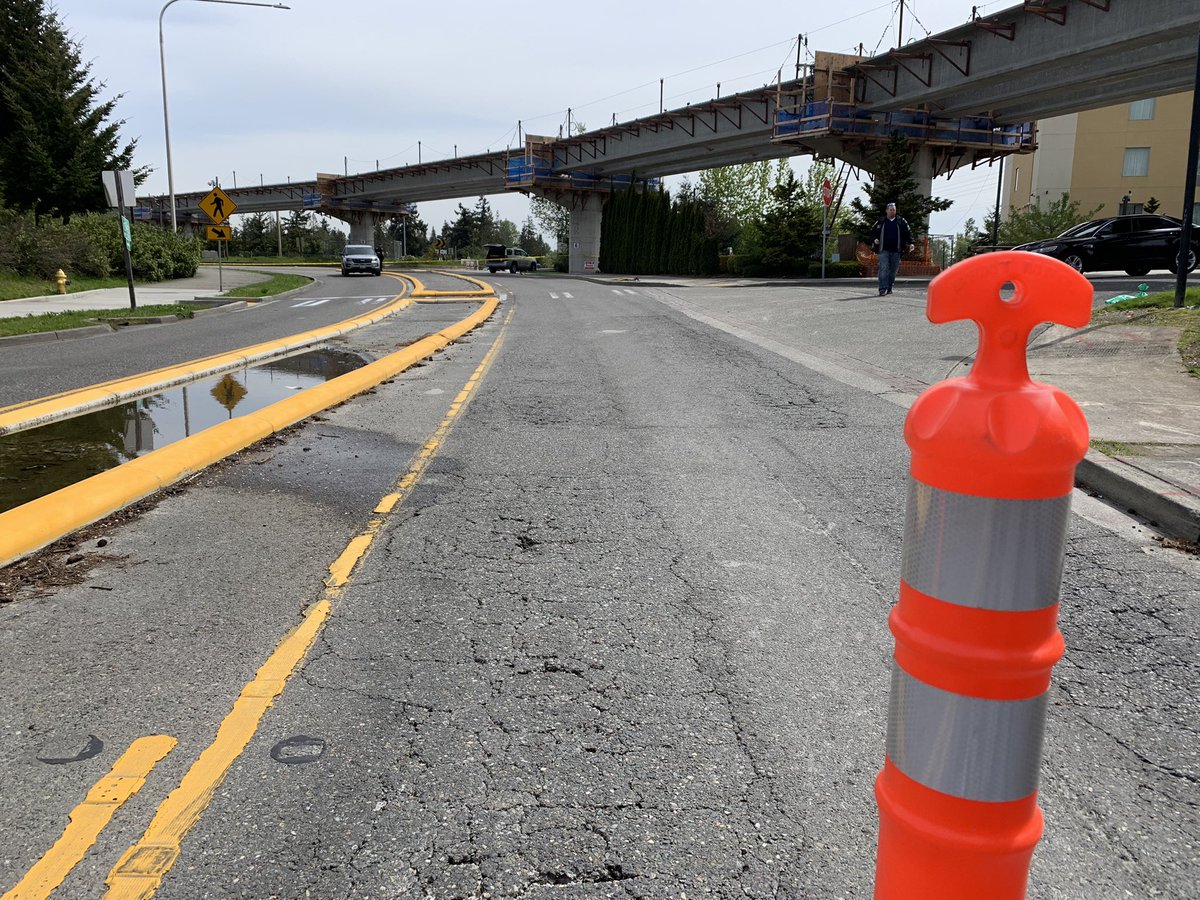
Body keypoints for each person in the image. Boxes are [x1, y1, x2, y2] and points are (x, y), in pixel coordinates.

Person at [870, 201, 914, 296]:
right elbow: (872, 232)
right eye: (890, 210)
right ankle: (882, 289)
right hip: (883, 250)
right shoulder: (881, 221)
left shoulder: (901, 221)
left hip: (897, 250)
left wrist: (911, 243)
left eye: (894, 210)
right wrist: (875, 239)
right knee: (884, 268)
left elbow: (908, 233)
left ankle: (889, 286)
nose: (892, 212)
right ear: (886, 211)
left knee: (893, 270)